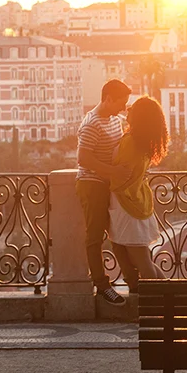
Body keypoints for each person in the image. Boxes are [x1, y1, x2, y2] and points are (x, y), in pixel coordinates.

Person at [77, 79, 130, 305]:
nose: (123, 108)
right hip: (92, 184)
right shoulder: (92, 124)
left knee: (119, 232)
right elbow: (84, 158)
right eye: (121, 103)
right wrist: (114, 171)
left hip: (109, 184)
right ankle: (102, 286)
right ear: (108, 98)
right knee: (95, 236)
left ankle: (131, 278)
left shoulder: (114, 119)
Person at [104, 95, 168, 283]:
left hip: (127, 206)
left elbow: (121, 174)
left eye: (132, 109)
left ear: (140, 116)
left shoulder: (132, 142)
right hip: (131, 204)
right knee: (141, 260)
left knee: (143, 264)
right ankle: (169, 300)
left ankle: (160, 306)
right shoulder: (139, 141)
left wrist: (105, 177)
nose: (127, 110)